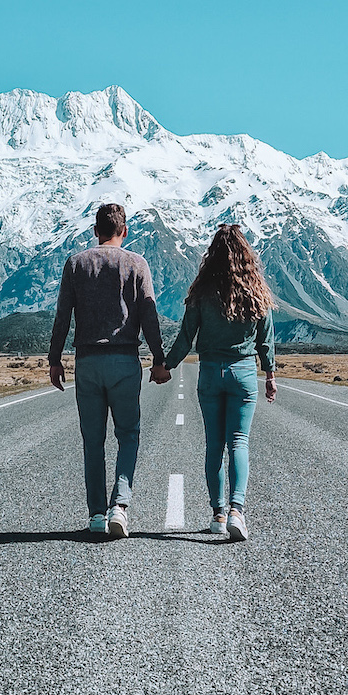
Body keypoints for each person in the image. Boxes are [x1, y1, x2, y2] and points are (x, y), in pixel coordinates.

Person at [49, 203, 169, 538]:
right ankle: (121, 505)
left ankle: (97, 514)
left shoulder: (76, 264)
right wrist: (159, 359)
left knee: (93, 441)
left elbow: (63, 317)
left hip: (87, 362)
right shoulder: (136, 264)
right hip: (124, 361)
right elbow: (149, 315)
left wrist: (54, 358)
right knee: (128, 435)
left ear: (95, 230)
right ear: (124, 231)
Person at [160, 224, 276, 541]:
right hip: (243, 374)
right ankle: (238, 510)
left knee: (214, 445)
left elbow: (186, 337)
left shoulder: (201, 292)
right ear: (245, 255)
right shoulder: (256, 290)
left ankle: (219, 514)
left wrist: (166, 366)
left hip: (210, 372)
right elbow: (266, 339)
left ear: (212, 256)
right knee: (239, 442)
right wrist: (270, 375)